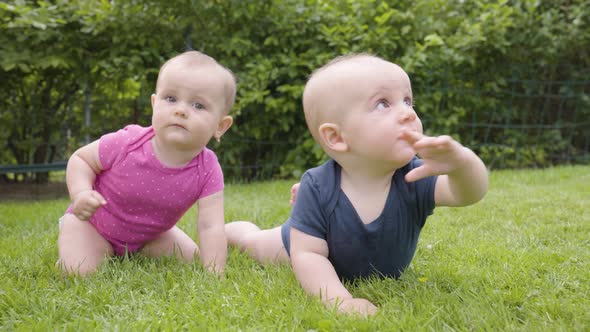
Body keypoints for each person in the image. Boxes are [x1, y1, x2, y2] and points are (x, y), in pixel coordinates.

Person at [225, 54, 488, 316]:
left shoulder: (414, 178)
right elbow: (308, 256)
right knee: (255, 244)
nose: (408, 113)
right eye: (383, 104)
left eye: (407, 101)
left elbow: (466, 193)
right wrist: (339, 300)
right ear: (337, 137)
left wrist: (463, 163)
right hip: (289, 246)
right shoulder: (317, 186)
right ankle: (233, 232)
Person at [57, 51, 235, 277]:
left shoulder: (208, 168)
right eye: (170, 98)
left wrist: (215, 273)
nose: (180, 110)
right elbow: (81, 159)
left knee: (193, 262)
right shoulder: (128, 142)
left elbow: (211, 226)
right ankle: (77, 238)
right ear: (154, 103)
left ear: (220, 126)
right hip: (92, 224)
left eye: (198, 105)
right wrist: (81, 192)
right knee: (78, 272)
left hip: (150, 237)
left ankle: (137, 249)